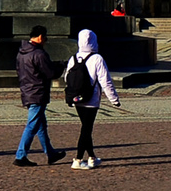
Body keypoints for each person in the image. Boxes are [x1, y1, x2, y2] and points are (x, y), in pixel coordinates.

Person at [65, 28, 121, 169]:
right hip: (91, 99)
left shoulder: (74, 58)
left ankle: (92, 157)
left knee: (86, 127)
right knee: (86, 129)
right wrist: (114, 99)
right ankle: (77, 160)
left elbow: (67, 78)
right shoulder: (97, 59)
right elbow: (105, 81)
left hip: (77, 99)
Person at [14, 25, 66, 167]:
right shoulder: (39, 54)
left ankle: (50, 153)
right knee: (32, 125)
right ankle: (20, 155)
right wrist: (61, 66)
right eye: (45, 38)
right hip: (38, 93)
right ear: (41, 37)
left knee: (41, 125)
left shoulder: (22, 53)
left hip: (27, 90)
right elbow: (50, 73)